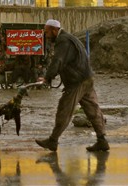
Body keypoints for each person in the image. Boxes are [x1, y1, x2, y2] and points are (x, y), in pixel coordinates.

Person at [35, 19, 109, 152]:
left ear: (54, 30)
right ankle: (102, 140)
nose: (46, 35)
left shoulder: (63, 41)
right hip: (87, 78)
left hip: (77, 82)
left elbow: (58, 60)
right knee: (93, 110)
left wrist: (47, 77)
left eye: (47, 32)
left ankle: (53, 141)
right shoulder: (69, 38)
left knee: (64, 109)